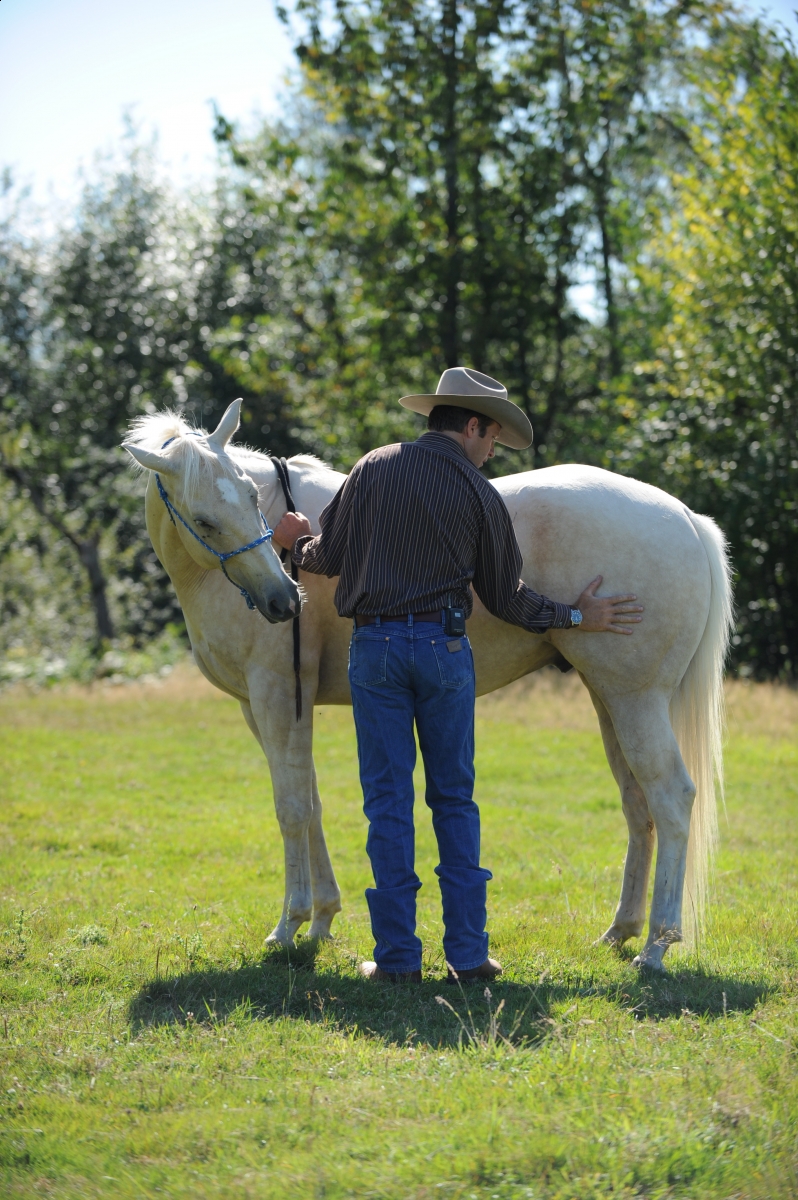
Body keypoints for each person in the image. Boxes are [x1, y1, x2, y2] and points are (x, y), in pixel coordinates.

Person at [273, 368, 643, 984]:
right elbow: (509, 600)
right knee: (454, 801)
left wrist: (293, 543)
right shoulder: (478, 493)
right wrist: (578, 615)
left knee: (386, 805)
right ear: (471, 426)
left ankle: (395, 961)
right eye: (492, 437)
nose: (492, 451)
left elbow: (327, 561)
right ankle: (468, 956)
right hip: (445, 651)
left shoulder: (371, 467)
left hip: (375, 651)